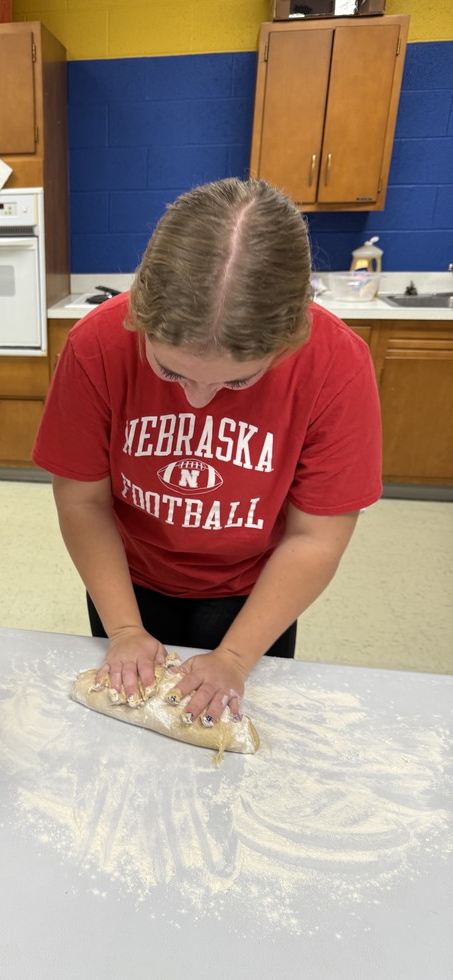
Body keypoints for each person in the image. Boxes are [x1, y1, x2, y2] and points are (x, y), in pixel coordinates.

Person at [32, 178, 382, 727]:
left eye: (237, 382)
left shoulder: (336, 367)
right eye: (170, 371)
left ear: (289, 339)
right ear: (139, 314)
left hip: (256, 591)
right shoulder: (96, 345)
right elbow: (82, 501)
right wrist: (123, 628)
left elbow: (315, 537)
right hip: (128, 578)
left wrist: (237, 657)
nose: (198, 401)